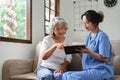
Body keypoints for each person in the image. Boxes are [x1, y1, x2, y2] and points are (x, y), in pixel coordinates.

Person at [60, 10, 114, 80]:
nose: (85, 26)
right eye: (83, 23)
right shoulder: (87, 37)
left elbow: (105, 59)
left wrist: (89, 52)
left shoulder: (102, 36)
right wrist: (71, 48)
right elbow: (84, 51)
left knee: (71, 77)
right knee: (65, 75)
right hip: (88, 70)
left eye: (87, 23)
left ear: (94, 22)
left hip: (101, 70)